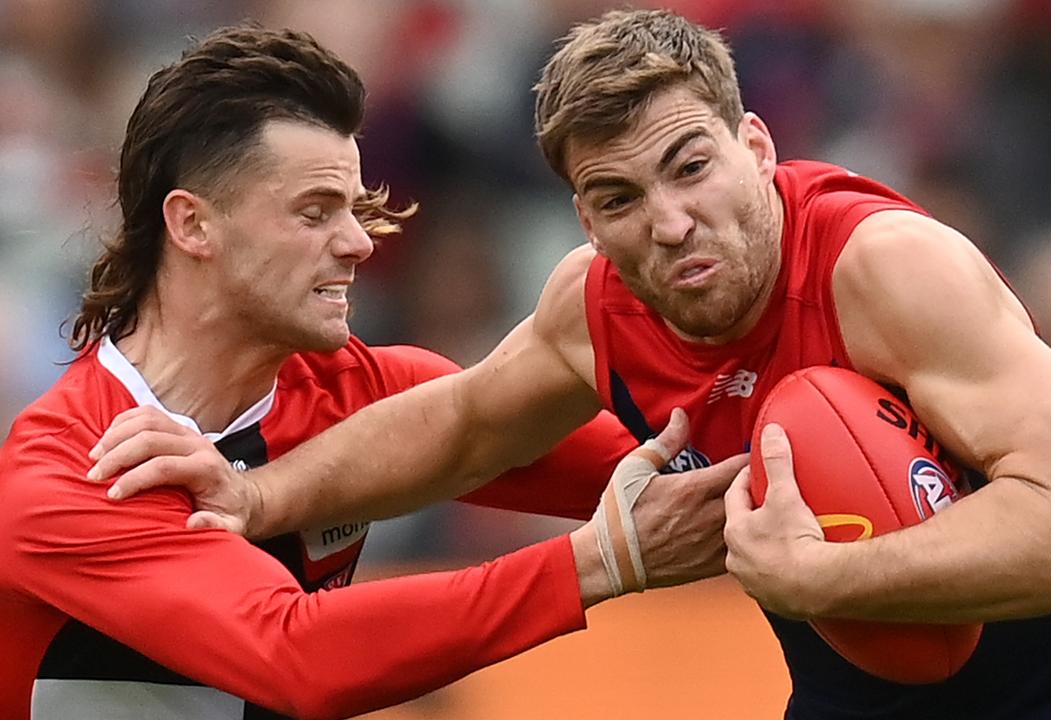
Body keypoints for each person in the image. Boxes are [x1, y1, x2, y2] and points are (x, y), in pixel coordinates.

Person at [92, 10, 1051, 720]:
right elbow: (462, 426)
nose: (667, 224)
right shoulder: (599, 302)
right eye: (617, 199)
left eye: (690, 167)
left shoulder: (886, 270)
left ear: (757, 148)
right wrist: (253, 492)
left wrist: (817, 581)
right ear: (583, 214)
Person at [0, 24, 747, 720]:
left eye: (355, 208)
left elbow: (692, 478)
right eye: (316, 211)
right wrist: (592, 565)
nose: (359, 242)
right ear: (193, 224)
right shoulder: (68, 470)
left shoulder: (378, 394)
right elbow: (295, 652)